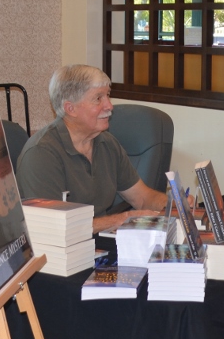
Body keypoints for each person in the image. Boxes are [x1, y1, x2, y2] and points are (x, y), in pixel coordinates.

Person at [16, 64, 171, 234]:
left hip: (99, 245)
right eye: (98, 98)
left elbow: (142, 198)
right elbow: (52, 227)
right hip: (62, 252)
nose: (109, 106)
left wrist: (174, 204)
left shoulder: (107, 143)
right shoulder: (41, 154)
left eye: (108, 96)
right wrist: (121, 219)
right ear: (70, 108)